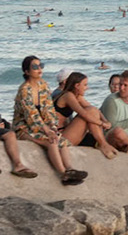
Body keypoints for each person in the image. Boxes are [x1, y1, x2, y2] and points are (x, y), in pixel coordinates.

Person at [14, 55, 87, 185]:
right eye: (35, 67)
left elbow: (49, 109)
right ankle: (63, 174)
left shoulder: (43, 85)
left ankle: (70, 169)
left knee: (61, 141)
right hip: (24, 127)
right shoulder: (24, 90)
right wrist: (47, 132)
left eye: (40, 66)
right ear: (26, 72)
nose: (39, 69)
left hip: (43, 127)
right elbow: (32, 116)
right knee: (51, 142)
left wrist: (52, 127)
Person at [55, 71, 118, 158]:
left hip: (68, 132)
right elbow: (83, 114)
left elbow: (95, 110)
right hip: (60, 138)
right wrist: (102, 123)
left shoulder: (77, 96)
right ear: (77, 86)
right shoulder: (68, 96)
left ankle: (103, 144)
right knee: (90, 112)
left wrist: (105, 121)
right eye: (85, 85)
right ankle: (103, 144)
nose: (87, 88)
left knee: (92, 110)